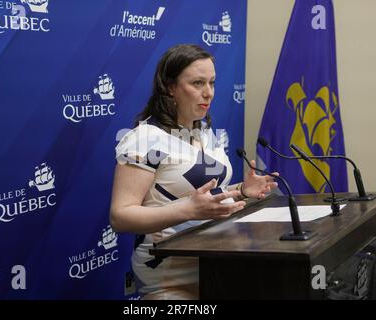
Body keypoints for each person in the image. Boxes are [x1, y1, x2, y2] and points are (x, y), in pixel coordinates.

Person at [110, 44, 278, 300]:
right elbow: (120, 216)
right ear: (170, 87)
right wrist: (188, 210)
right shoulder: (146, 140)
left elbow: (203, 195)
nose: (208, 93)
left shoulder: (203, 131)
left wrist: (241, 191)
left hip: (217, 261)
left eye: (211, 82)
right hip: (170, 273)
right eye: (197, 83)